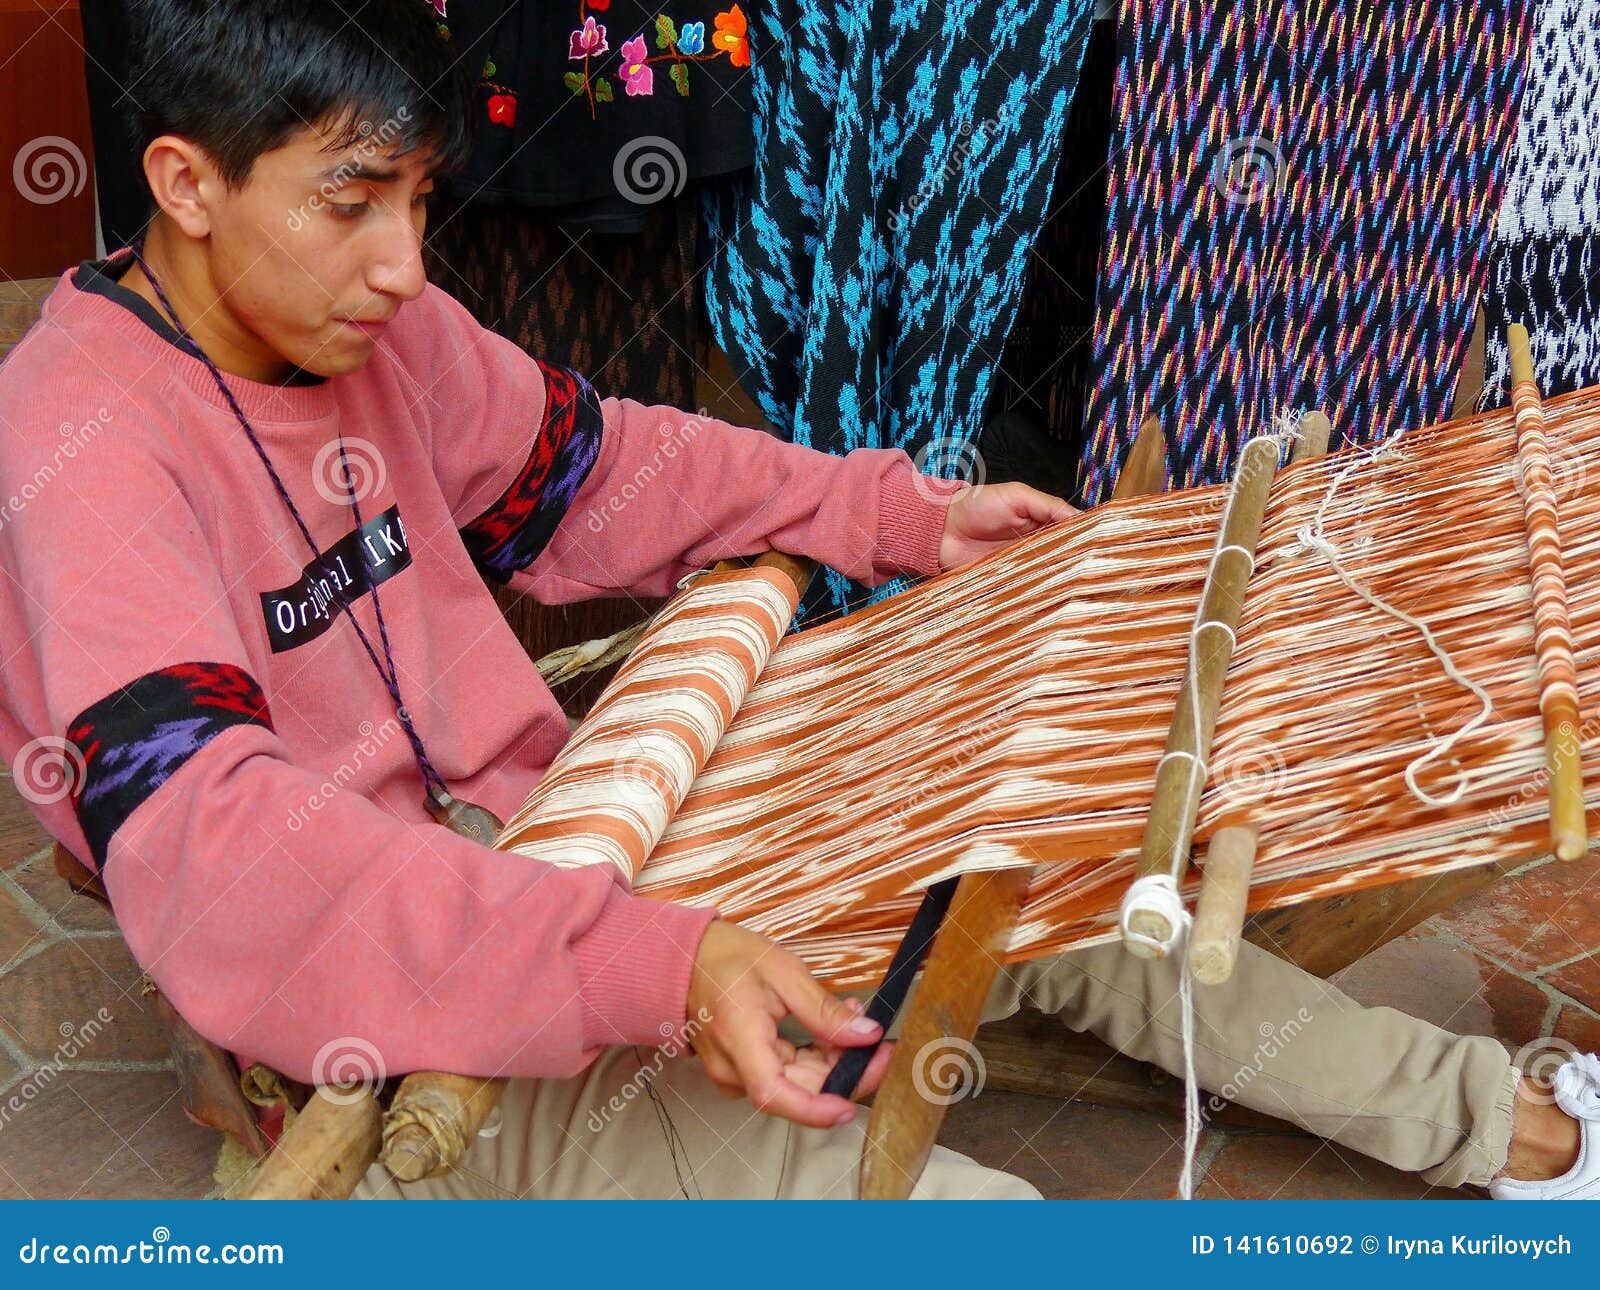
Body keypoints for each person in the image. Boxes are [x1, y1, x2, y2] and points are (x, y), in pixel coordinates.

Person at [0, 0, 1594, 1200]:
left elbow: (601, 464)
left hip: (572, 839)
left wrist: (891, 512)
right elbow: (222, 854)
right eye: (353, 204)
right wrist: (657, 964)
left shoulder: (378, 329)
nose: (410, 261)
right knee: (982, 1220)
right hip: (388, 1018)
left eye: (420, 200)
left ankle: (1481, 1117)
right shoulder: (83, 451)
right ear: (184, 184)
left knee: (1027, 844)